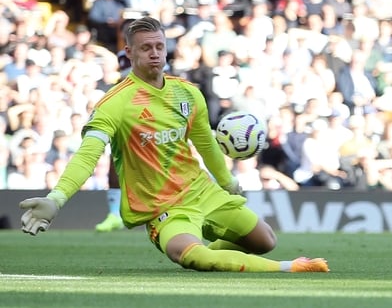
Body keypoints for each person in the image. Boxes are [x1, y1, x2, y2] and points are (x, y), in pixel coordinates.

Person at [18, 17, 328, 273]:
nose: (154, 53)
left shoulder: (187, 93)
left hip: (200, 190)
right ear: (130, 52)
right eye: (145, 48)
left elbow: (205, 142)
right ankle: (288, 267)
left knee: (264, 240)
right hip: (161, 206)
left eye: (159, 46)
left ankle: (223, 249)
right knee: (194, 257)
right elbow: (87, 156)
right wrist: (56, 199)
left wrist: (227, 181)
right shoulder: (115, 104)